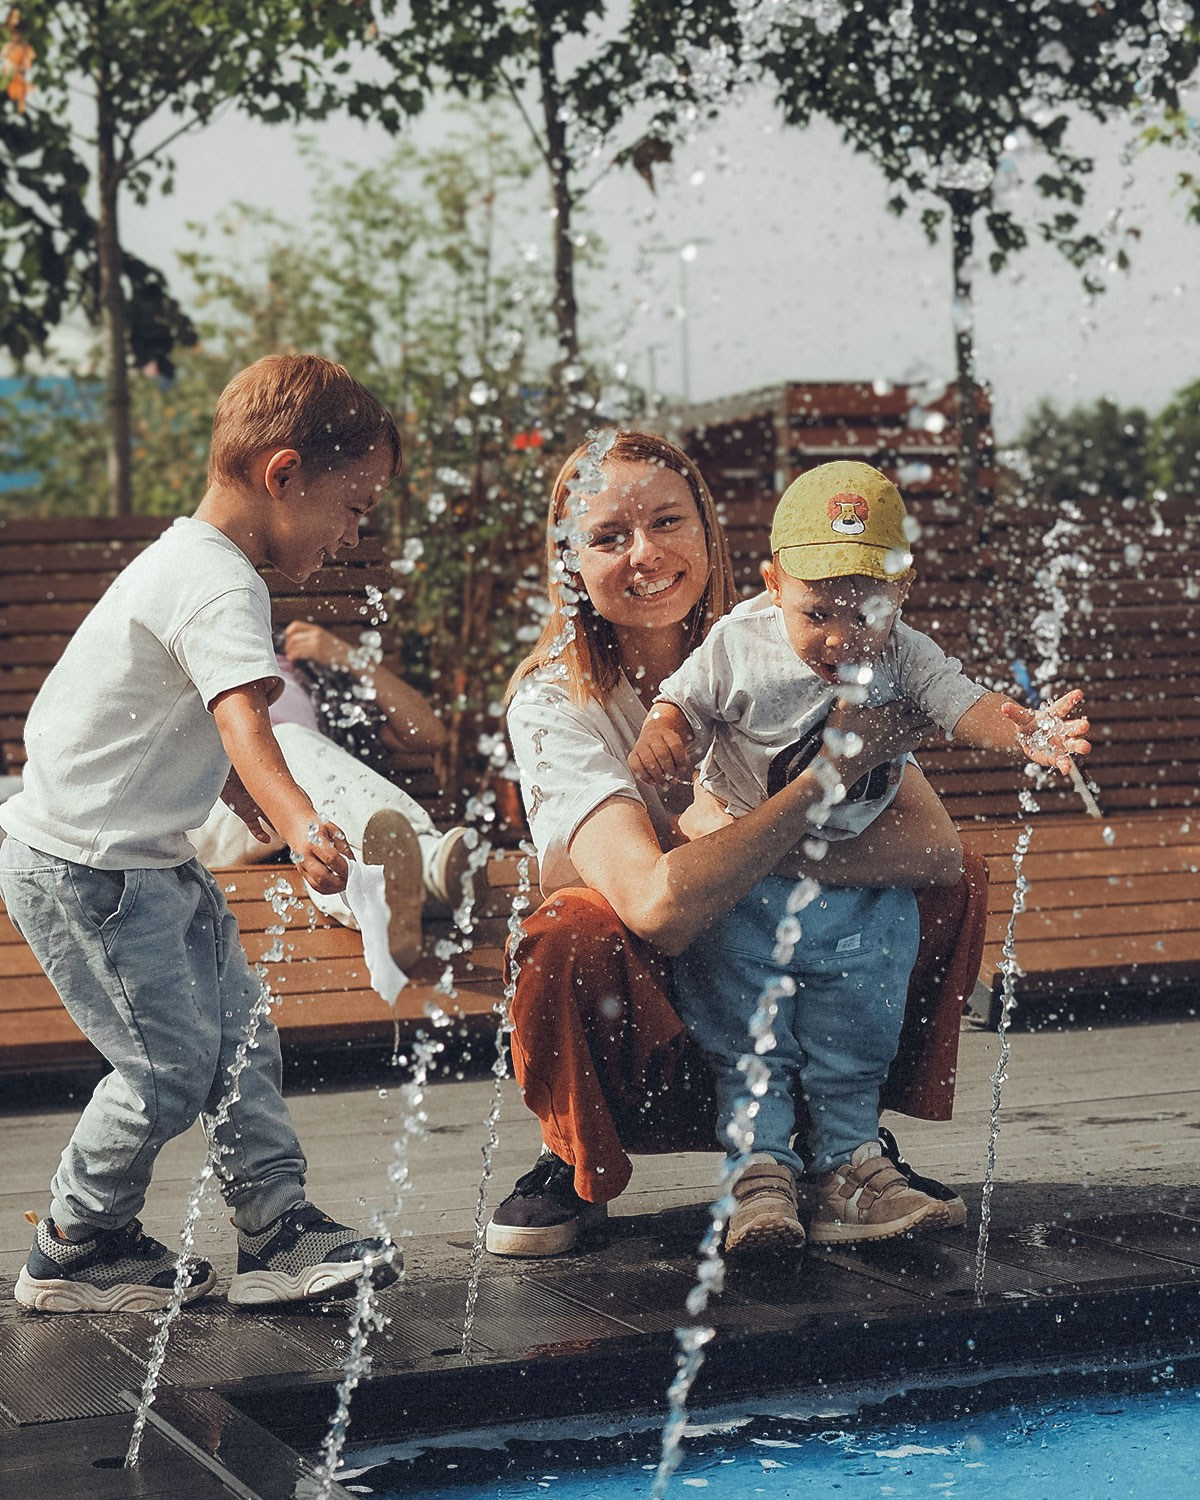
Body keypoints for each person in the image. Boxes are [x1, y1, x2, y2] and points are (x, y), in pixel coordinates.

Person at [484, 430, 991, 1261]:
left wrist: (725, 841)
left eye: (667, 523)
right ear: (570, 562)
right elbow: (659, 909)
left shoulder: (793, 634)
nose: (645, 554)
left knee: (951, 878)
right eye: (609, 537)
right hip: (655, 1002)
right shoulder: (554, 700)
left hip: (785, 960)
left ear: (708, 534)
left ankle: (841, 1148)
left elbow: (934, 850)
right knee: (569, 928)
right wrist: (820, 785)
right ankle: (575, 1157)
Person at [0, 354, 408, 1314]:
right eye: (353, 505)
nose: (356, 532)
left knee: (239, 1042)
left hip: (147, 865)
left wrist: (250, 808)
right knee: (165, 1070)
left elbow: (192, 729)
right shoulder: (222, 584)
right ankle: (75, 1242)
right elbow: (243, 721)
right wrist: (300, 820)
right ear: (282, 474)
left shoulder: (191, 564)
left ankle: (275, 1231)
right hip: (90, 873)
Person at [627, 460, 1091, 1257]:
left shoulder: (907, 653)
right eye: (817, 612)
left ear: (901, 593)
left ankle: (849, 1166)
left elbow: (965, 704)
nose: (842, 637)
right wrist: (663, 730)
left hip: (861, 889)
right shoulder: (737, 642)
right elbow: (681, 701)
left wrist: (1022, 732)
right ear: (774, 584)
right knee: (749, 1037)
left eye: (866, 611)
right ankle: (760, 1173)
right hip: (744, 884)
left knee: (856, 1035)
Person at [189, 617, 474, 970]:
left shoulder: (311, 678)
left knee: (318, 836)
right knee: (285, 745)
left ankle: (386, 904)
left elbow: (428, 734)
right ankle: (427, 858)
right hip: (213, 812)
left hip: (298, 830)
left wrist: (345, 656)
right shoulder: (194, 659)